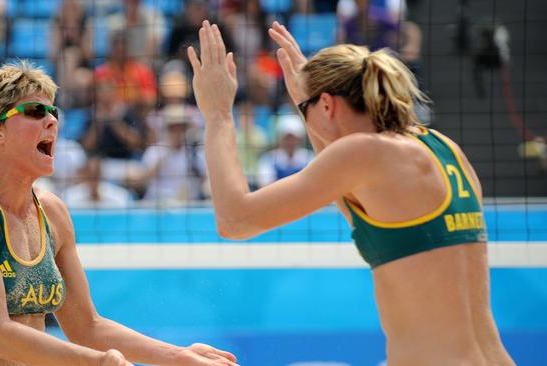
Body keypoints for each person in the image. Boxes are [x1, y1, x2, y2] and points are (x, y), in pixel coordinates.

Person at [187, 20, 515, 365]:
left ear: (328, 105)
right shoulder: (442, 148)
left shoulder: (363, 155)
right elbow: (344, 185)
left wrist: (219, 114)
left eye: (305, 110)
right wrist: (307, 97)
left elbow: (235, 220)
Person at [0, 61, 238, 366]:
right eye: (35, 111)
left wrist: (178, 357)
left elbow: (87, 327)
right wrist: (100, 362)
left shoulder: (53, 212)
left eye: (52, 111)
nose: (52, 121)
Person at [256, 114, 313, 188]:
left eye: (293, 138)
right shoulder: (268, 159)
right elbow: (263, 186)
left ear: (300, 139)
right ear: (280, 138)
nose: (290, 142)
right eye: (287, 138)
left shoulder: (310, 158)